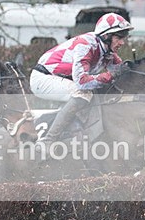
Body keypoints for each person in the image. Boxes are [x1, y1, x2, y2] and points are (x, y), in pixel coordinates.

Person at [29, 12, 134, 147]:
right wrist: (111, 75)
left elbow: (120, 71)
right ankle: (48, 141)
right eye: (118, 38)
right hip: (43, 79)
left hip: (61, 79)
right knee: (83, 93)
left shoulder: (107, 50)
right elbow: (82, 82)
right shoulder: (85, 45)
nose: (122, 43)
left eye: (123, 38)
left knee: (99, 92)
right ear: (106, 36)